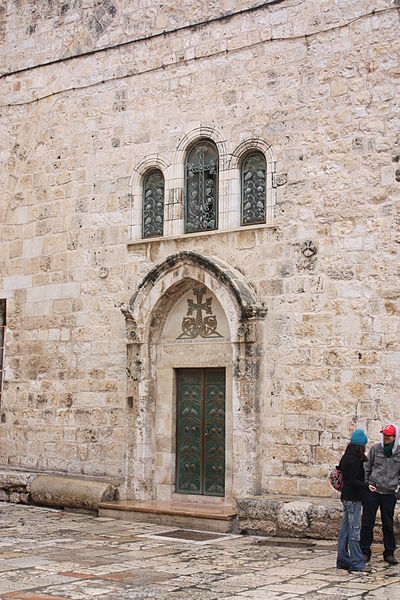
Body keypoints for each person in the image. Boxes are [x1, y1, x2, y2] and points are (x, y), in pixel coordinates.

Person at [337, 428, 376, 572]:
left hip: (346, 497)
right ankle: (357, 563)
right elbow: (353, 481)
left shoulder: (346, 456)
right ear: (360, 445)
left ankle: (342, 560)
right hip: (353, 499)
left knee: (344, 530)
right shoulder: (354, 460)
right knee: (354, 531)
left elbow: (343, 473)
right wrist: (367, 486)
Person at [360, 423, 400, 565]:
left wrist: (398, 493)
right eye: (384, 435)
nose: (385, 438)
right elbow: (367, 466)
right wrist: (366, 485)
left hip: (389, 493)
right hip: (373, 491)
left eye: (388, 436)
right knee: (367, 522)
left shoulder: (398, 452)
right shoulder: (376, 449)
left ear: (394, 437)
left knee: (388, 524)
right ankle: (364, 551)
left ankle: (389, 552)